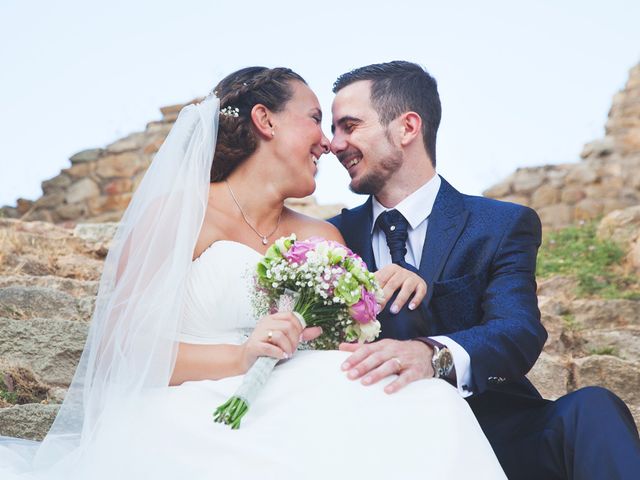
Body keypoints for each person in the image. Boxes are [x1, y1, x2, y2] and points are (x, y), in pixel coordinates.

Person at [0, 67, 507, 479]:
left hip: (300, 399)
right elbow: (121, 351)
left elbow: (342, 349)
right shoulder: (180, 216)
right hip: (186, 410)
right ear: (265, 120)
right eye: (314, 119)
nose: (329, 144)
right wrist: (242, 356)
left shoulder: (324, 239)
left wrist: (378, 298)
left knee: (432, 403)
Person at [328, 60, 640, 480]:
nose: (334, 143)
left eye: (349, 126)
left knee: (593, 409)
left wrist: (432, 353)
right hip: (375, 440)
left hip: (492, 433)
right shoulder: (330, 238)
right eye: (334, 129)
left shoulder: (500, 224)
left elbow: (518, 330)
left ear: (407, 128)